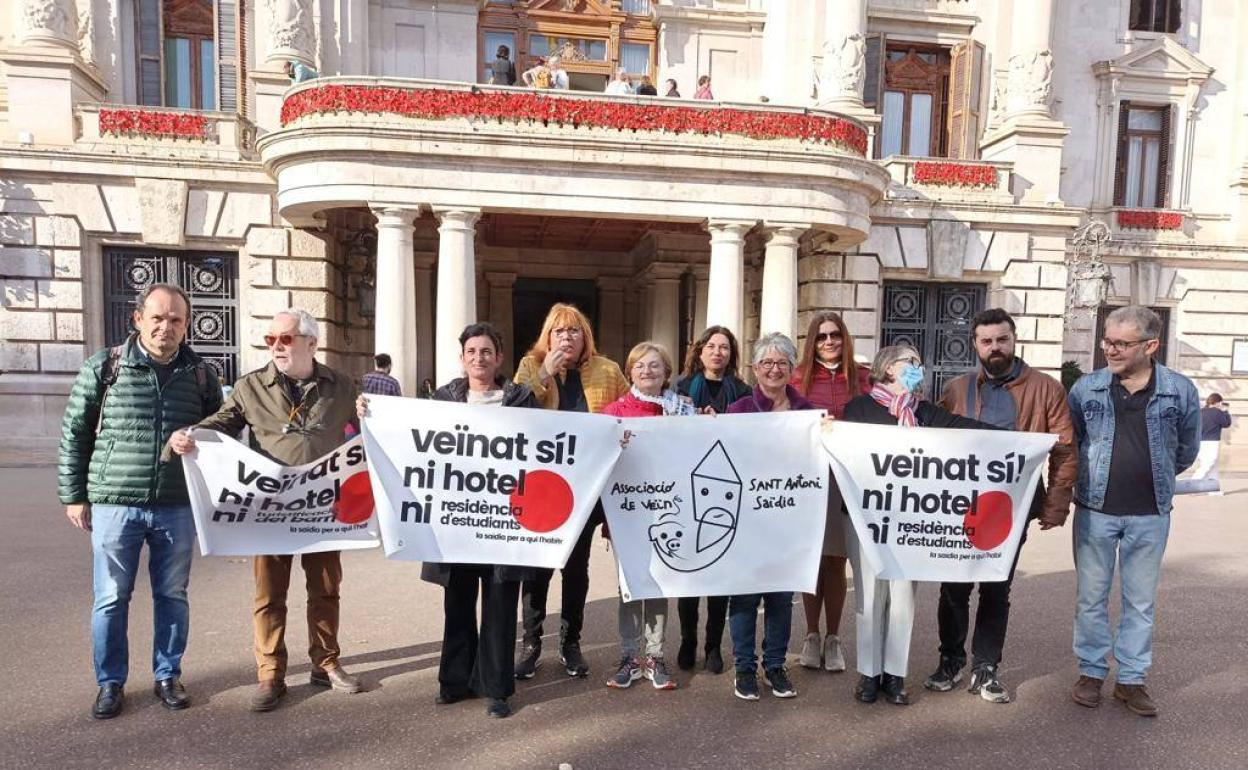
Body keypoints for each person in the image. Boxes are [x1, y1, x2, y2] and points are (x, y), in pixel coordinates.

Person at [170, 308, 364, 712]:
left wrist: (372, 414)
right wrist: (187, 438)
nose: (276, 347)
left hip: (322, 509)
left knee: (325, 590)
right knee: (269, 595)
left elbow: (368, 436)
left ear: (311, 343)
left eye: (286, 339)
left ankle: (325, 663)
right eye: (270, 340)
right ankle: (270, 673)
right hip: (269, 510)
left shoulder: (343, 387)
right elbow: (219, 424)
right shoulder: (251, 386)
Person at [58, 283, 223, 719]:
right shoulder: (105, 366)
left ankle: (168, 674)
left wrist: (200, 440)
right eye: (158, 318)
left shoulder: (203, 375)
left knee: (172, 594)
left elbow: (220, 432)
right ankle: (110, 682)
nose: (166, 327)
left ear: (186, 326)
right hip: (116, 501)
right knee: (110, 596)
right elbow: (75, 433)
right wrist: (74, 495)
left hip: (176, 504)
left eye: (176, 320)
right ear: (138, 319)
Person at [377, 323, 538, 718]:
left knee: (500, 605)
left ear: (499, 358)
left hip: (504, 524)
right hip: (457, 523)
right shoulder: (444, 398)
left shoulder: (522, 399)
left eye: (487, 351)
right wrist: (372, 412)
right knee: (459, 603)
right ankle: (455, 681)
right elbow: (408, 434)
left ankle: (497, 688)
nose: (479, 358)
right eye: (472, 351)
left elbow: (549, 446)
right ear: (462, 358)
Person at [927, 308, 1077, 703]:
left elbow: (1064, 449)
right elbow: (931, 438)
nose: (995, 347)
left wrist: (1056, 504)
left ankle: (985, 667)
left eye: (1002, 339)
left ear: (1014, 340)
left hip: (1013, 508)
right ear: (976, 345)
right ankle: (950, 660)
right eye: (987, 341)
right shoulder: (959, 388)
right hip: (960, 507)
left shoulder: (1046, 389)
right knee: (953, 589)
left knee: (996, 588)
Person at [1067, 306, 1200, 717]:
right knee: (1091, 599)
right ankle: (1091, 672)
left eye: (1122, 343)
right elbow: (1073, 443)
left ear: (1151, 345)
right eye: (1107, 340)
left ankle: (1130, 680)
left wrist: (1155, 474)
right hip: (1095, 511)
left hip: (1150, 513)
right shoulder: (1086, 389)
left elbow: (1187, 449)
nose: (1110, 349)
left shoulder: (1180, 390)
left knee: (1140, 602)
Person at [841, 344, 989, 706]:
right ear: (888, 368)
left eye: (919, 364)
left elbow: (965, 429)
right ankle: (869, 673)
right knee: (870, 598)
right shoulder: (857, 410)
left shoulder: (923, 413)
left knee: (903, 598)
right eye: (911, 363)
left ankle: (894, 674)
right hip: (866, 519)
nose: (918, 369)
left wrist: (1020, 438)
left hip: (910, 521)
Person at [513, 303, 629, 679]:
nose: (566, 337)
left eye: (574, 331)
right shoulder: (531, 366)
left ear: (586, 337)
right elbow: (514, 409)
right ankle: (531, 643)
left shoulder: (608, 370)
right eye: (558, 331)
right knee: (537, 569)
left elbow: (631, 408)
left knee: (576, 567)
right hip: (541, 488)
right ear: (548, 337)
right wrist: (544, 373)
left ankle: (570, 641)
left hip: (586, 488)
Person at [725, 332, 815, 701]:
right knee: (744, 598)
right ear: (755, 368)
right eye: (767, 363)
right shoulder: (740, 410)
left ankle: (775, 666)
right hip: (747, 521)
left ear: (792, 369)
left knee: (780, 597)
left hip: (788, 523)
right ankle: (745, 668)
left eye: (782, 363)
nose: (774, 369)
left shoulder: (808, 413)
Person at [601, 342, 695, 691]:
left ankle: (655, 656)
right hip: (627, 516)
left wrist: (708, 424)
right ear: (630, 372)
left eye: (655, 365)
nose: (647, 371)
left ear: (666, 372)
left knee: (658, 585)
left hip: (667, 514)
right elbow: (596, 457)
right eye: (640, 365)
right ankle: (630, 656)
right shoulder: (613, 412)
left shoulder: (683, 411)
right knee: (629, 589)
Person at [791, 312, 870, 675]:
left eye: (834, 334)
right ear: (812, 341)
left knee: (836, 561)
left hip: (849, 480)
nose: (828, 342)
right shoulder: (798, 378)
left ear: (844, 336)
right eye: (821, 336)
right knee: (811, 557)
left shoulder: (863, 377)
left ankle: (834, 637)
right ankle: (810, 635)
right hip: (811, 477)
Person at [672, 326, 750, 673]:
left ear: (731, 354)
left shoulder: (743, 392)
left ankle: (713, 645)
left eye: (724, 347)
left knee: (720, 576)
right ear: (699, 351)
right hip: (687, 490)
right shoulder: (680, 388)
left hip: (727, 490)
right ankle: (688, 641)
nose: (717, 352)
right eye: (711, 346)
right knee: (690, 575)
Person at [1186, 393, 1231, 494]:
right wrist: (1225, 412)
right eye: (1220, 403)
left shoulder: (1200, 412)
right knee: (1208, 464)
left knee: (1213, 466)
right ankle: (1191, 485)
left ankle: (1213, 490)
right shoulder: (1217, 412)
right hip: (1212, 443)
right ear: (1218, 402)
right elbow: (1226, 423)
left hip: (1199, 442)